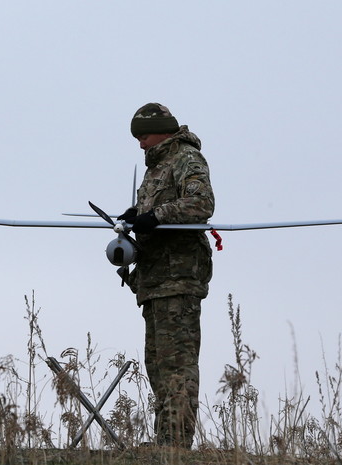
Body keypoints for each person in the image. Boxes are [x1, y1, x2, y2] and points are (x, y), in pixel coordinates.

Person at [119, 103, 214, 448]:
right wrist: (136, 217)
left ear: (162, 131)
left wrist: (155, 215)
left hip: (179, 277)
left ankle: (175, 444)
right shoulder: (157, 168)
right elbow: (153, 216)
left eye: (143, 136)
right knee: (157, 365)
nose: (141, 144)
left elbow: (200, 205)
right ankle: (165, 440)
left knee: (177, 364)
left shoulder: (186, 159)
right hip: (155, 279)